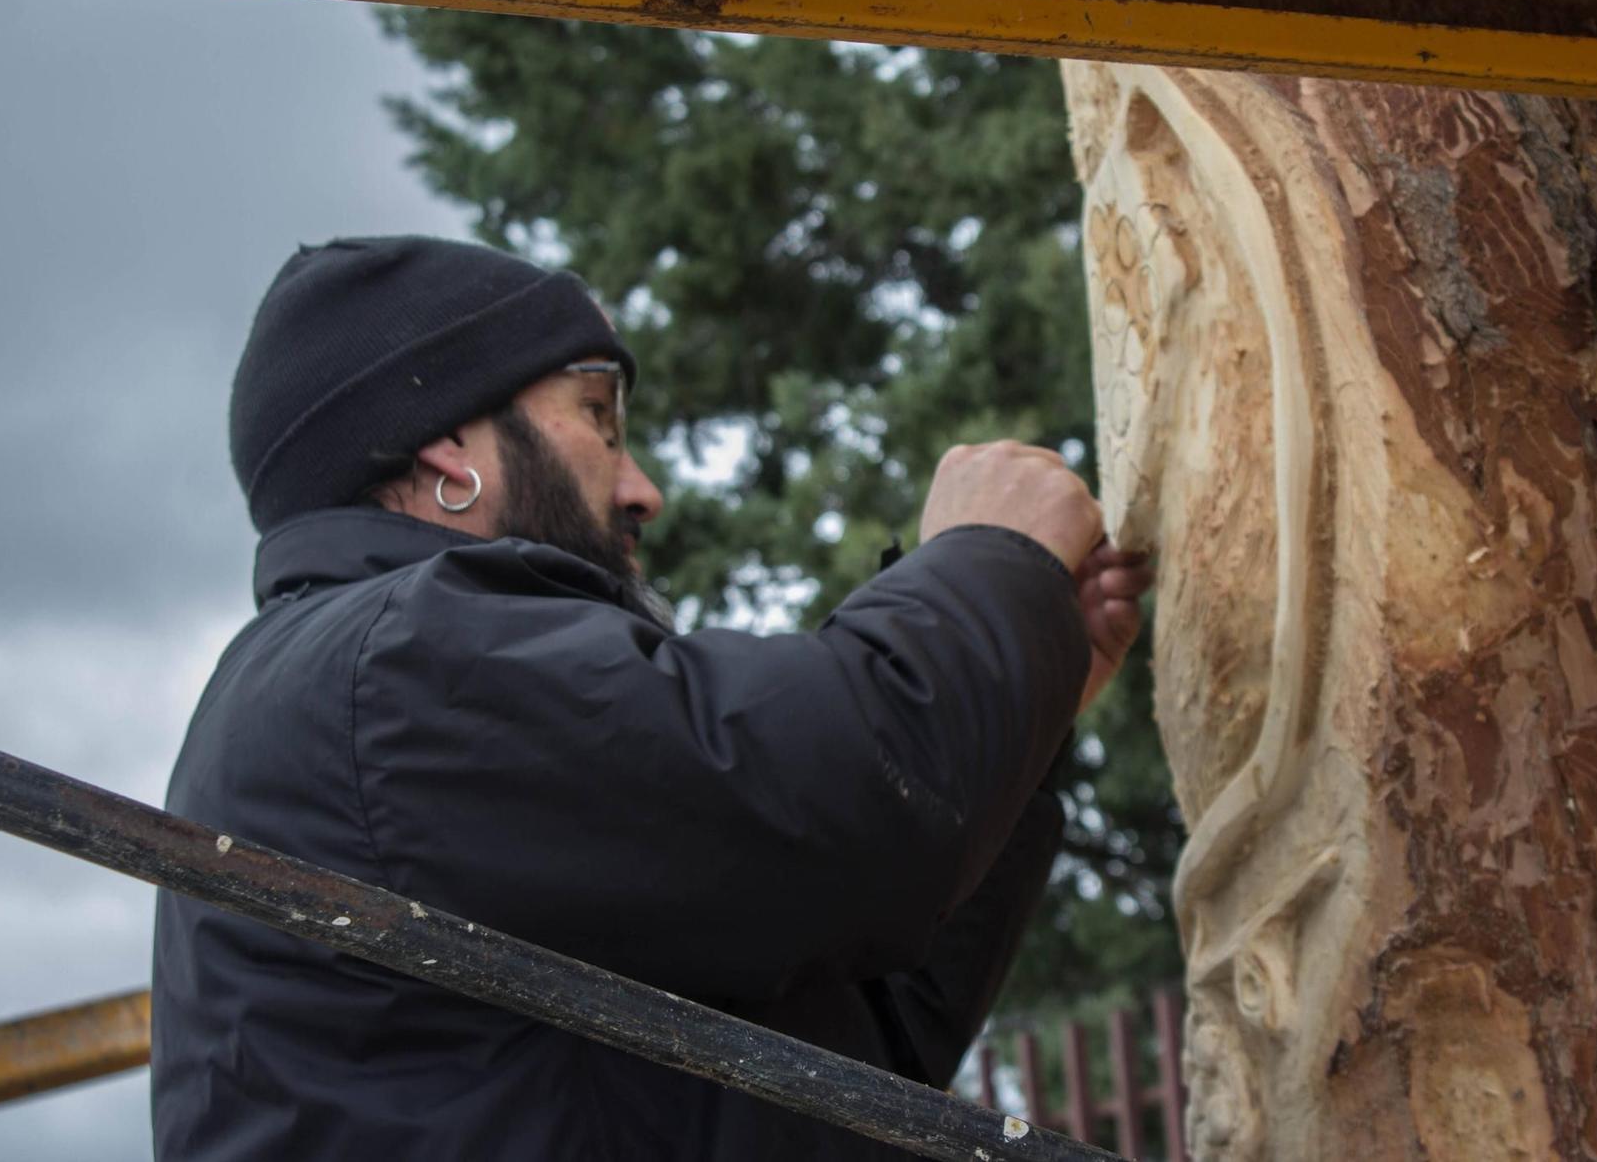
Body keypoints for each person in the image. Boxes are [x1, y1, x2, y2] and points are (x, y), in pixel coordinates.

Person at [151, 235, 1152, 1159]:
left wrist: (1024, 694)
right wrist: (989, 561)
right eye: (597, 415)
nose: (641, 488)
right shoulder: (401, 665)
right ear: (448, 446)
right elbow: (854, 809)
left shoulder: (369, 689)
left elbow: (847, 1047)